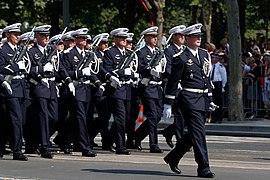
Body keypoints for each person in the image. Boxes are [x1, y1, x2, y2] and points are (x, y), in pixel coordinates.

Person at [163, 23, 215, 178]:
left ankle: (173, 157)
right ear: (187, 39)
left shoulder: (205, 54)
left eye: (199, 36)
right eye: (195, 36)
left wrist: (210, 99)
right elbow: (173, 82)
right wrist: (168, 104)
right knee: (199, 133)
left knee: (193, 134)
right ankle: (203, 167)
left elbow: (206, 78)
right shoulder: (181, 58)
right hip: (189, 99)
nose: (198, 38)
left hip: (202, 99)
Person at [62, 28, 98, 157]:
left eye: (85, 38)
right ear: (76, 40)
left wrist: (97, 82)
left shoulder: (88, 54)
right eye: (82, 38)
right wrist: (80, 73)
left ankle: (64, 140)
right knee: (81, 118)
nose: (84, 40)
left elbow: (91, 72)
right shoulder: (69, 54)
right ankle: (85, 147)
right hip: (75, 89)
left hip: (86, 89)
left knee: (76, 118)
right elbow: (65, 72)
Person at [103, 27, 135, 155]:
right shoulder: (110, 52)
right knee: (120, 118)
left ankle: (109, 140)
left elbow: (134, 68)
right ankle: (120, 146)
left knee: (126, 118)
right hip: (116, 89)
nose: (124, 40)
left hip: (127, 89)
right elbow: (106, 70)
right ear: (115, 39)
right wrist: (122, 72)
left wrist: (133, 75)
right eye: (121, 38)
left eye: (125, 38)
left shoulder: (128, 53)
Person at [135, 26, 165, 153]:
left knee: (157, 116)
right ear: (146, 38)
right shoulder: (141, 53)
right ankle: (154, 144)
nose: (154, 39)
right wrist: (149, 70)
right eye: (152, 37)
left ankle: (137, 136)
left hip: (157, 87)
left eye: (155, 37)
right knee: (152, 115)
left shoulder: (158, 52)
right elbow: (139, 68)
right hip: (147, 87)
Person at [0, 23, 28, 161]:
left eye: (18, 34)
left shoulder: (19, 49)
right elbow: (1, 67)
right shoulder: (2, 50)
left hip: (20, 87)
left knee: (14, 120)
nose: (18, 36)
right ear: (7, 35)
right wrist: (17, 66)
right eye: (15, 34)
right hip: (9, 88)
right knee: (16, 119)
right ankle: (17, 150)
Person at [162, 25, 186, 148]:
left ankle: (168, 132)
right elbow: (168, 69)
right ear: (174, 37)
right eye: (180, 35)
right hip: (175, 86)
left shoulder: (185, 50)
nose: (183, 37)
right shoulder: (169, 51)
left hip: (185, 87)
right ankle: (180, 141)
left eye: (183, 35)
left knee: (185, 116)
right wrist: (178, 79)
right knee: (179, 115)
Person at [209, 53, 227, 123]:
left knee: (219, 102)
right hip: (211, 84)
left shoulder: (220, 66)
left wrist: (222, 86)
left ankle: (219, 118)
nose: (211, 59)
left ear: (216, 59)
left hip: (218, 84)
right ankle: (213, 117)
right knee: (213, 102)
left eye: (213, 58)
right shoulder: (211, 66)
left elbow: (224, 77)